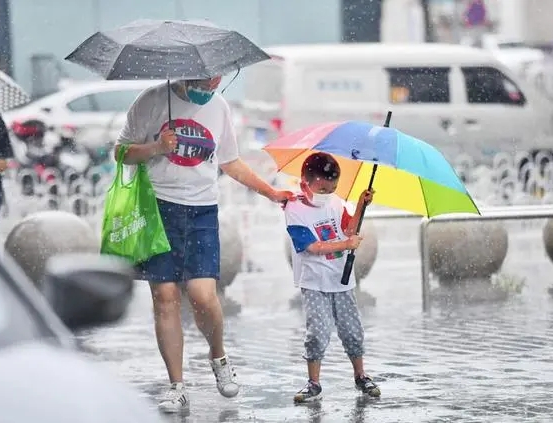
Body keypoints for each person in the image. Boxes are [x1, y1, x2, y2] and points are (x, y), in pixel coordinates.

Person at [116, 76, 294, 413]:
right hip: (156, 210)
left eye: (218, 77)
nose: (213, 83)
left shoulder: (218, 105)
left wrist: (271, 192)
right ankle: (176, 385)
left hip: (201, 211)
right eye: (207, 77)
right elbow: (120, 152)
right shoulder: (151, 101)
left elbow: (230, 162)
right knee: (165, 298)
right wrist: (156, 148)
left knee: (202, 295)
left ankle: (218, 356)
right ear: (187, 71)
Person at [283, 152, 381, 403]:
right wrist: (345, 244)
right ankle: (313, 382)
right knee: (317, 331)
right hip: (314, 282)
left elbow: (350, 228)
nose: (328, 192)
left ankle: (360, 375)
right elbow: (311, 247)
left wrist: (360, 204)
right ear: (306, 181)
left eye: (333, 188)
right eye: (323, 187)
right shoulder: (294, 208)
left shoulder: (335, 202)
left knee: (352, 330)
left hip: (341, 280)